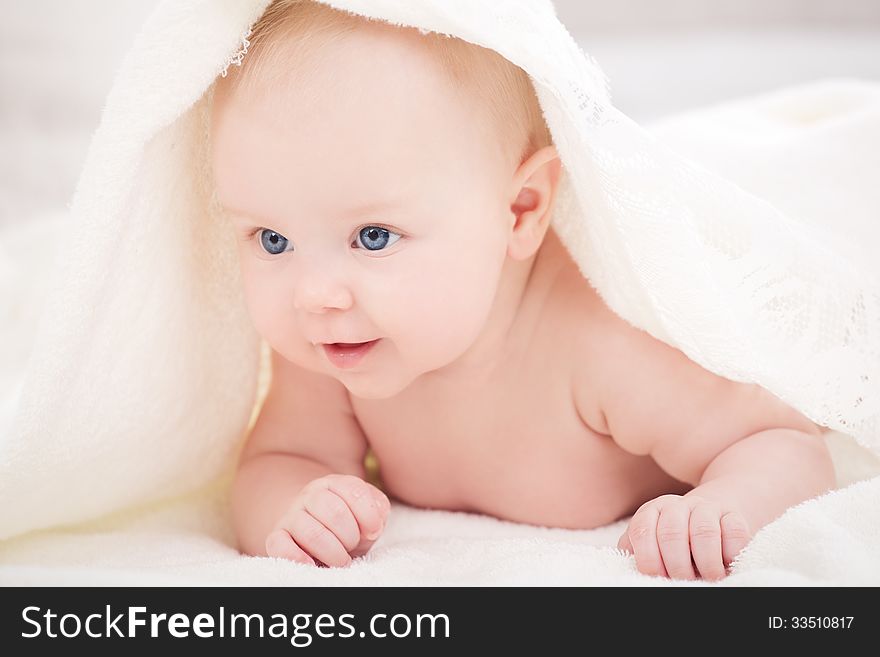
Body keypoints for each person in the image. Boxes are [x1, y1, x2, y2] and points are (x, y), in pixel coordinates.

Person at [209, 0, 835, 581]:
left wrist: (723, 506)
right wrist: (295, 512)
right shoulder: (338, 341)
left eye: (373, 236)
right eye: (272, 240)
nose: (315, 294)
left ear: (520, 210)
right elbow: (281, 460)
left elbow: (780, 442)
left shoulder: (603, 345)